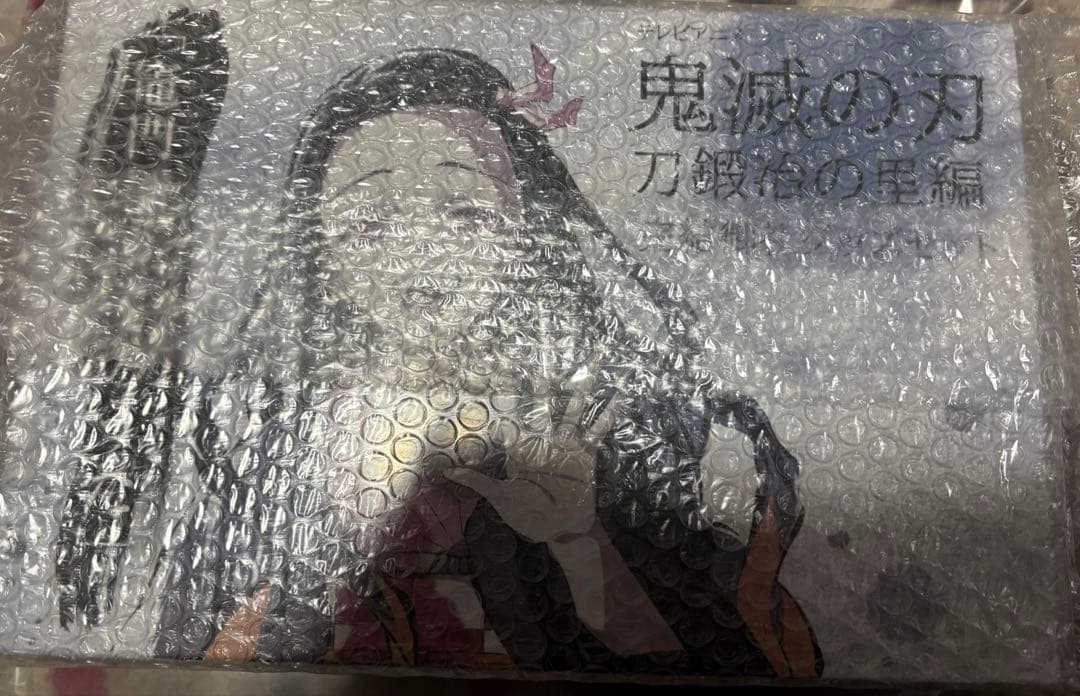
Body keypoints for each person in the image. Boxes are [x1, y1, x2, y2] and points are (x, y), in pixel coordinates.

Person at [57, 42, 821, 678]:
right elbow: (195, 656)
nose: (421, 252)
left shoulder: (594, 421)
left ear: (522, 230)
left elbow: (727, 654)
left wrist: (579, 541)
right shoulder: (269, 443)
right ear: (320, 251)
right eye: (370, 222)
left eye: (464, 211)